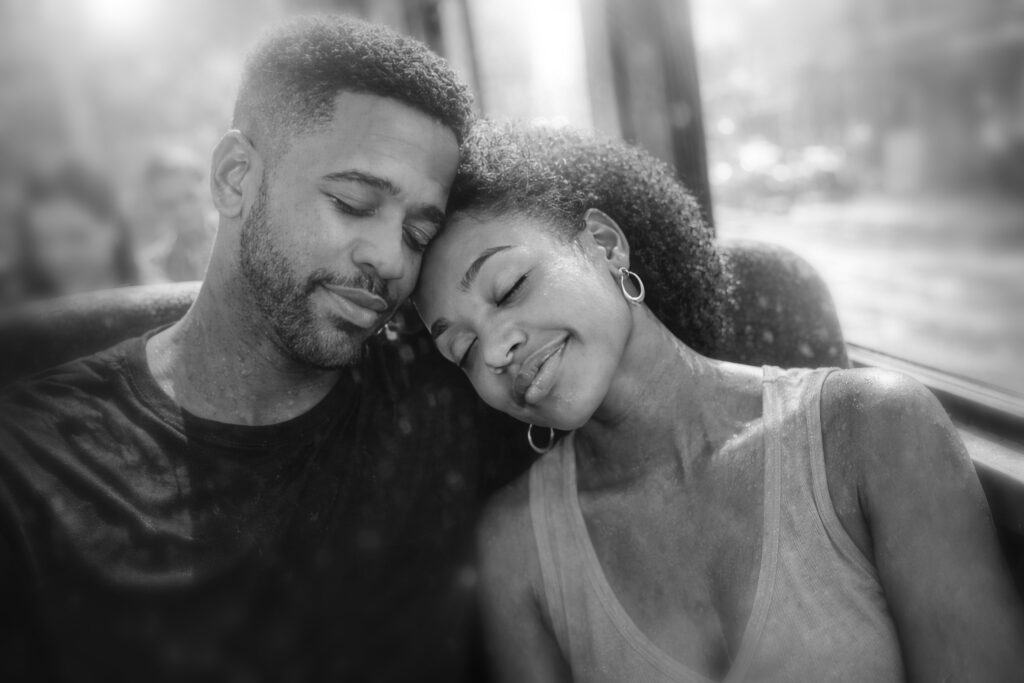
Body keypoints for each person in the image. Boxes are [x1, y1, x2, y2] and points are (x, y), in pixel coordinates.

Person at [413, 122, 1024, 682]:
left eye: (509, 286)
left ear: (603, 245)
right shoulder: (514, 550)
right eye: (460, 349)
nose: (494, 349)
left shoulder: (878, 428)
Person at [0, 16, 494, 682]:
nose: (388, 258)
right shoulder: (35, 467)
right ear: (235, 178)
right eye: (352, 202)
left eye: (415, 232)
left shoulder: (446, 393)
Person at [17, 161, 139, 299]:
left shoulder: (161, 308)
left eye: (76, 237)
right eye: (44, 241)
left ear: (114, 229)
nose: (58, 256)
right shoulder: (22, 308)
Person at [135, 146, 216, 283]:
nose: (183, 212)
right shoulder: (155, 264)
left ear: (208, 188)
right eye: (169, 205)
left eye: (189, 198)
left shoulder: (240, 238)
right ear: (156, 207)